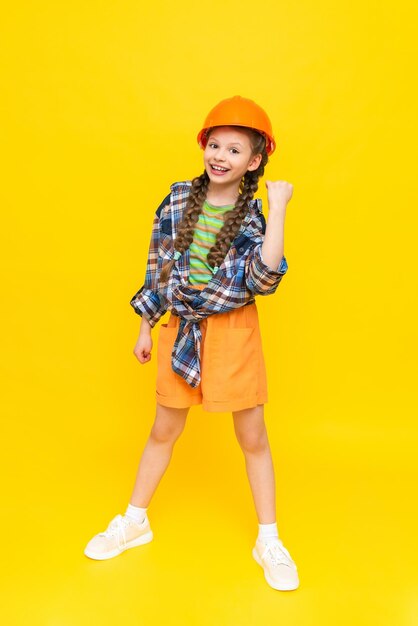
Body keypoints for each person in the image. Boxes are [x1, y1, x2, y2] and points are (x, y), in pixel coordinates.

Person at [84, 95, 299, 592]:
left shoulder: (252, 216)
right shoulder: (179, 198)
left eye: (235, 149)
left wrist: (280, 207)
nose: (220, 156)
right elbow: (158, 264)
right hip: (180, 328)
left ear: (256, 160)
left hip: (233, 330)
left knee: (253, 438)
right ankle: (135, 521)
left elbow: (264, 279)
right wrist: (145, 324)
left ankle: (268, 538)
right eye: (215, 144)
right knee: (163, 429)